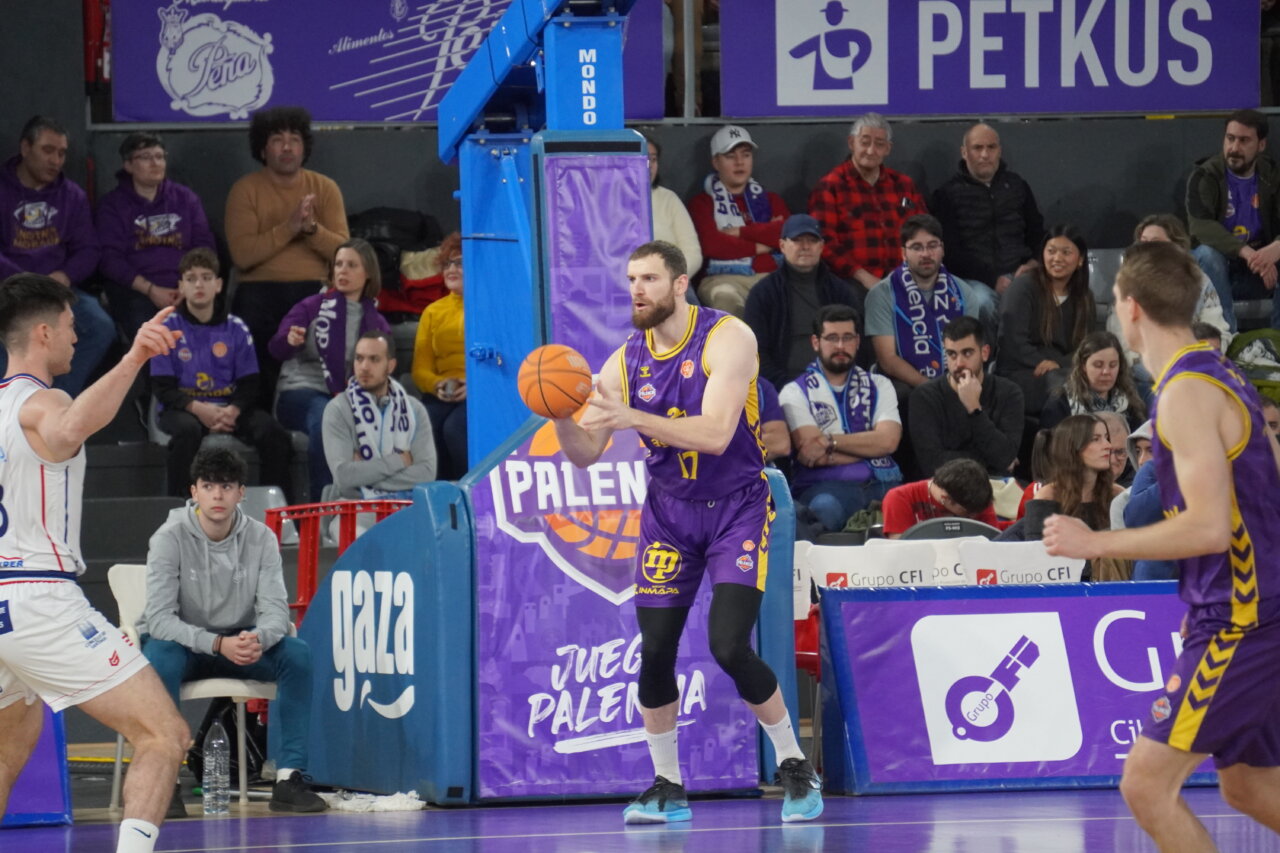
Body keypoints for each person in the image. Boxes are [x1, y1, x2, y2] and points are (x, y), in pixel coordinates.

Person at [551, 240, 823, 824]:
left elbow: (717, 434)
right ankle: (667, 786)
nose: (637, 289)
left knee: (728, 645)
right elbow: (586, 452)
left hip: (737, 507)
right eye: (631, 279)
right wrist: (558, 415)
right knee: (654, 651)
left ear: (680, 284)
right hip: (670, 515)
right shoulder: (622, 363)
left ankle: (795, 763)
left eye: (649, 278)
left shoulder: (728, 337)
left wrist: (632, 416)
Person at [1045, 240, 1280, 851]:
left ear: (1129, 308)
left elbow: (1208, 527)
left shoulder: (1185, 393)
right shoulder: (1225, 375)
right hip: (1251, 608)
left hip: (1241, 617)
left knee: (1146, 786)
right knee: (1249, 785)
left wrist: (1096, 541)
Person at [0, 274, 189, 853]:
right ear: (43, 333)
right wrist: (134, 357)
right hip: (38, 595)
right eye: (70, 326)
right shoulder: (43, 401)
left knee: (6, 752)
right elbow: (70, 427)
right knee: (163, 734)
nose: (77, 338)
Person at [139, 447, 326, 814]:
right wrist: (216, 643)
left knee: (297, 653)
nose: (218, 496)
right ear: (194, 492)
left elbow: (275, 611)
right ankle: (165, 781)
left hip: (240, 642)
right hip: (185, 644)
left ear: (241, 493)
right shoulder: (168, 537)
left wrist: (258, 638)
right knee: (157, 655)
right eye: (209, 486)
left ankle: (288, 779)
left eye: (226, 487)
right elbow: (159, 619)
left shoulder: (261, 538)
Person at [225, 106, 349, 407]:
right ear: (262, 149)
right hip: (258, 289)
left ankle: (319, 412)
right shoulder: (245, 190)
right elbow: (243, 255)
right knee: (252, 324)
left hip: (314, 288)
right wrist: (289, 228)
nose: (287, 147)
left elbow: (343, 253)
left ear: (304, 148)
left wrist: (311, 229)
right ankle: (256, 416)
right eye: (277, 140)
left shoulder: (325, 188)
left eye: (294, 139)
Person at [150, 248, 294, 500]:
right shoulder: (166, 328)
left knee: (274, 435)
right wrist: (199, 410)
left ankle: (277, 513)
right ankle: (178, 508)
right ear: (181, 286)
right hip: (184, 409)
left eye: (206, 277)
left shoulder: (236, 328)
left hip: (229, 409)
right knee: (186, 433)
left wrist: (233, 410)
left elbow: (250, 383)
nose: (199, 285)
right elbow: (163, 388)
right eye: (191, 278)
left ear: (218, 285)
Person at [269, 239, 390, 501]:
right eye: (339, 264)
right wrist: (289, 340)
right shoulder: (311, 307)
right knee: (328, 415)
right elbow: (275, 349)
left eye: (351, 265)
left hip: (351, 397)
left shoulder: (376, 321)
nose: (343, 271)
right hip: (301, 392)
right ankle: (322, 506)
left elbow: (383, 371)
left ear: (368, 273)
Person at [0, 116, 113, 396]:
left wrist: (64, 276)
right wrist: (23, 280)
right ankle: (10, 405)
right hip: (7, 288)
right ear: (25, 148)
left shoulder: (72, 195)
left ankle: (53, 401)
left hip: (56, 289)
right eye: (48, 150)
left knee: (100, 326)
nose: (56, 161)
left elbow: (89, 249)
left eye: (62, 153)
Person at [779, 304, 901, 533]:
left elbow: (888, 441)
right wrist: (871, 447)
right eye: (832, 338)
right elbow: (812, 453)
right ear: (816, 342)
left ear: (858, 341)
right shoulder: (794, 392)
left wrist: (830, 442)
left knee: (913, 506)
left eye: (848, 338)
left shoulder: (880, 384)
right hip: (827, 487)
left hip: (884, 482)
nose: (840, 346)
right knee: (825, 508)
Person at [96, 131, 215, 340]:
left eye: (160, 157)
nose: (155, 163)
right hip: (137, 290)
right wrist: (150, 290)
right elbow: (109, 258)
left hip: (185, 286)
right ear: (128, 165)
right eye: (146, 157)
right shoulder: (112, 205)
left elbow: (204, 246)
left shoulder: (186, 199)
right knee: (153, 338)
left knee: (204, 334)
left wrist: (188, 285)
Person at [743, 213, 867, 390]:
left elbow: (859, 346)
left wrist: (839, 385)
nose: (805, 246)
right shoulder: (762, 294)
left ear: (821, 246)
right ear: (782, 246)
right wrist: (791, 388)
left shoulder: (841, 292)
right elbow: (755, 354)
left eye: (812, 240)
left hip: (838, 386)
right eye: (797, 240)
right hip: (782, 389)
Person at [865, 214, 983, 396]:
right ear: (903, 253)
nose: (926, 254)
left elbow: (970, 350)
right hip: (904, 384)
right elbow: (888, 360)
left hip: (954, 379)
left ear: (942, 249)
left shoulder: (963, 293)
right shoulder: (882, 294)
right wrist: (933, 389)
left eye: (932, 246)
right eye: (917, 247)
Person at [808, 113, 928, 291]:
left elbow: (924, 231)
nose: (871, 151)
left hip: (906, 277)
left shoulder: (904, 185)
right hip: (851, 280)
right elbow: (824, 241)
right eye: (865, 142)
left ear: (888, 148)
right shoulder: (830, 186)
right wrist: (863, 276)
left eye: (879, 144)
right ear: (851, 143)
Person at [1187, 108, 1280, 332]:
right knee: (1207, 254)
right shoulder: (1205, 175)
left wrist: (1275, 249)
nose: (1234, 148)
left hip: (1259, 273)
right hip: (1220, 269)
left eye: (1244, 140)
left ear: (1261, 145)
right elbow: (1201, 227)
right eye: (1230, 138)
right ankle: (1226, 337)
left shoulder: (1272, 175)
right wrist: (1247, 253)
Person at [930, 122, 1045, 296]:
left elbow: (1037, 234)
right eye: (977, 148)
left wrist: (1034, 263)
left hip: (1021, 273)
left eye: (991, 147)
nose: (985, 155)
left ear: (999, 151)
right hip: (974, 280)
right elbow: (949, 251)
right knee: (981, 301)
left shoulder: (1017, 186)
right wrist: (992, 279)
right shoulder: (947, 194)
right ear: (964, 152)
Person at [686, 125, 789, 315]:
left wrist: (740, 232)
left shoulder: (771, 200)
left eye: (746, 155)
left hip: (771, 276)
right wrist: (763, 244)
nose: (739, 162)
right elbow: (712, 245)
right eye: (730, 156)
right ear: (716, 162)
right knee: (725, 299)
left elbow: (786, 236)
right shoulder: (702, 203)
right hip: (723, 279)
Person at [322, 330, 436, 499]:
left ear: (390, 366)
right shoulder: (337, 409)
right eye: (359, 358)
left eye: (374, 359)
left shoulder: (414, 409)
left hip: (407, 506)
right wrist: (399, 461)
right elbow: (344, 476)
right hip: (353, 506)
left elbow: (426, 474)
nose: (364, 367)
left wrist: (364, 476)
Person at [997, 224, 1096, 415]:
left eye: (1066, 252)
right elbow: (1012, 342)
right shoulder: (1023, 287)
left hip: (1063, 369)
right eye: (1051, 251)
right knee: (1064, 388)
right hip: (1021, 371)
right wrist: (1045, 363)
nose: (1057, 258)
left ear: (1081, 259)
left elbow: (1085, 347)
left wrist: (1058, 364)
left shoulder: (1084, 297)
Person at [909, 316, 1024, 477]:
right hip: (944, 486)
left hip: (996, 485)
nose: (959, 363)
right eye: (952, 354)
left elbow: (1004, 456)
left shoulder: (1009, 393)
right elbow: (932, 463)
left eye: (967, 353)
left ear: (984, 353)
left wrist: (974, 409)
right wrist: (991, 461)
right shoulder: (924, 397)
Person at [411, 231, 468, 480]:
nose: (451, 269)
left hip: (479, 392)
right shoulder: (432, 312)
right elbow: (420, 369)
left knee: (455, 428)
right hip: (442, 392)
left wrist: (475, 385)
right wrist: (437, 384)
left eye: (460, 263)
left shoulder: (489, 307)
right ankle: (438, 496)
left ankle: (471, 492)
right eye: (447, 263)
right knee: (427, 426)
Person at [1040, 331, 1148, 431]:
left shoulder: (1129, 400)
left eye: (1113, 365)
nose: (1106, 372)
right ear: (1083, 366)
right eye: (1098, 365)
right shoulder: (1060, 403)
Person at [881, 458, 1004, 538]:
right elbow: (899, 548)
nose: (974, 516)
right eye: (968, 513)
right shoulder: (900, 498)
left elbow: (993, 542)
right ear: (946, 499)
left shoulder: (977, 500)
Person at [644, 133, 701, 301]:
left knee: (689, 305)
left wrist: (672, 279)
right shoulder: (612, 200)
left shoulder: (669, 199)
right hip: (629, 284)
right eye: (644, 159)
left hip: (672, 281)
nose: (650, 165)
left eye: (653, 159)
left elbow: (693, 252)